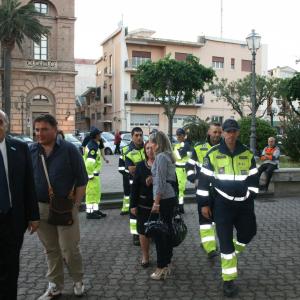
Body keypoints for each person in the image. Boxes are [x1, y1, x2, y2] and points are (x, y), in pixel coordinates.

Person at [196, 119, 259, 297]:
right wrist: (204, 205)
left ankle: (233, 251)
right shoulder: (213, 154)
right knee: (225, 243)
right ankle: (228, 281)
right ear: (223, 133)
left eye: (234, 131)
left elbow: (254, 179)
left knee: (249, 233)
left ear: (238, 133)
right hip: (222, 205)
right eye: (228, 131)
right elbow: (203, 183)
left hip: (244, 204)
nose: (231, 134)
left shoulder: (247, 153)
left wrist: (250, 196)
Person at [29, 114, 88, 299]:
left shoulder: (70, 149)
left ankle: (78, 280)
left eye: (44, 129)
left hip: (64, 208)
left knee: (69, 249)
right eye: (37, 129)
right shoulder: (31, 150)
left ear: (55, 129)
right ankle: (55, 285)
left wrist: (76, 205)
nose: (40, 133)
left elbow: (82, 179)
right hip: (40, 208)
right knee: (51, 249)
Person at [0, 110, 39, 300]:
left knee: (10, 267)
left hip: (13, 220)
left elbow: (28, 185)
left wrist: (34, 216)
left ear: (6, 125)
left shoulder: (20, 148)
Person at [186, 123, 222, 258]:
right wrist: (193, 178)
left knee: (216, 218)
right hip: (203, 190)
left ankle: (208, 241)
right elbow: (189, 165)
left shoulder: (225, 148)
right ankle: (210, 247)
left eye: (219, 132)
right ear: (209, 132)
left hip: (220, 191)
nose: (217, 135)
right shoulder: (199, 148)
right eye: (215, 132)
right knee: (205, 218)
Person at [149, 131, 178, 280]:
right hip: (169, 197)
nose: (149, 145)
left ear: (158, 144)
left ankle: (161, 267)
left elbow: (160, 182)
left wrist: (156, 203)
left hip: (164, 199)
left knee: (160, 234)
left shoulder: (160, 157)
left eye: (151, 142)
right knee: (167, 231)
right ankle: (167, 264)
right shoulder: (168, 156)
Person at [130, 141, 154, 267]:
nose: (150, 150)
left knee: (159, 232)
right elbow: (134, 187)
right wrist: (132, 205)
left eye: (152, 148)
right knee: (143, 232)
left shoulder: (162, 164)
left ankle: (163, 257)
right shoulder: (140, 166)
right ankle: (145, 256)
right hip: (143, 204)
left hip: (159, 205)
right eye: (147, 148)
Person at [125, 127, 145, 246]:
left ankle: (147, 232)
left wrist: (138, 167)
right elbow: (131, 169)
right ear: (132, 136)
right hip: (134, 186)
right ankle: (135, 235)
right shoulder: (128, 151)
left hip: (148, 186)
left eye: (141, 135)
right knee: (134, 211)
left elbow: (153, 165)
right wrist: (145, 167)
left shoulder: (148, 147)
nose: (139, 137)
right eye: (136, 135)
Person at [84, 127, 109, 219]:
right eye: (100, 134)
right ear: (96, 136)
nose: (101, 136)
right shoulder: (93, 147)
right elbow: (89, 163)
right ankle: (90, 213)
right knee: (91, 194)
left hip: (94, 175)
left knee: (96, 194)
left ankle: (95, 210)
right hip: (92, 176)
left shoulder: (94, 144)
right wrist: (90, 175)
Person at [173, 128, 191, 213]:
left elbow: (178, 157)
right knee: (177, 189)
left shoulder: (186, 145)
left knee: (180, 189)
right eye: (177, 135)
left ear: (184, 136)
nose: (178, 136)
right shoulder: (178, 145)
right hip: (177, 169)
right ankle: (178, 206)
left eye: (180, 135)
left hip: (182, 170)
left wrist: (175, 154)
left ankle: (180, 207)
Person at [118, 143, 130, 215]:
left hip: (137, 177)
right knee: (127, 193)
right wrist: (127, 174)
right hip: (127, 177)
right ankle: (125, 209)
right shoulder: (125, 149)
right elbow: (120, 167)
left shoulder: (143, 148)